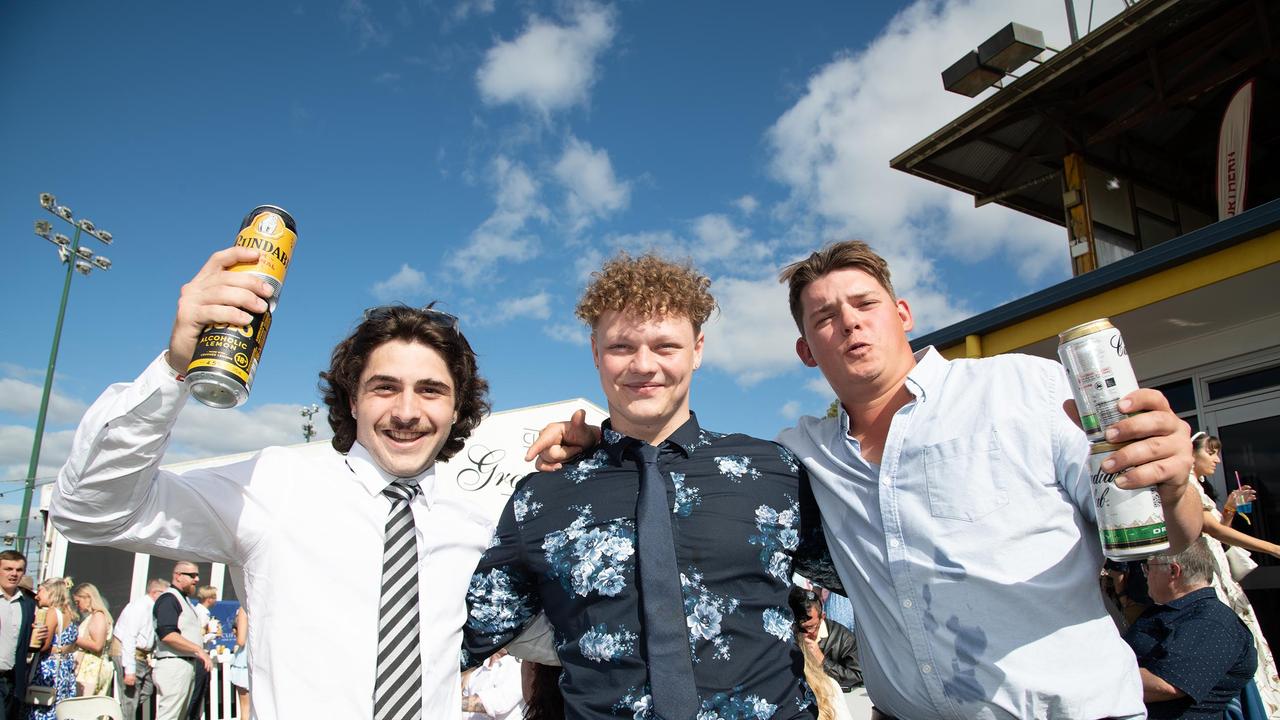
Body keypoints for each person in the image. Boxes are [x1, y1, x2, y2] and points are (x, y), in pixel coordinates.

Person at [530, 240, 1198, 719]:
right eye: (824, 316)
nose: (848, 320)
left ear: (901, 313)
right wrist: (606, 446)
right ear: (804, 349)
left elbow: (1166, 534)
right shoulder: (800, 455)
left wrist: (1172, 486)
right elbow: (689, 464)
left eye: (864, 303)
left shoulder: (1026, 389)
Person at [51, 245, 493, 719]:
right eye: (384, 387)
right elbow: (90, 512)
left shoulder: (481, 527)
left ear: (456, 409)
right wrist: (179, 365)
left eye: (431, 390)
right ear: (350, 401)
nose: (406, 412)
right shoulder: (276, 485)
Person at [464, 253, 841, 717]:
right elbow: (465, 630)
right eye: (622, 346)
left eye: (665, 346)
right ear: (595, 353)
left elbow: (873, 579)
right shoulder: (540, 498)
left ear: (698, 350)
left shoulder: (774, 472)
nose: (644, 365)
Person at [1189, 432, 1280, 715]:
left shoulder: (1199, 490)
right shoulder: (1186, 486)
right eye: (1211, 452)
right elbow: (1211, 529)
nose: (1217, 459)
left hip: (1221, 576)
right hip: (1208, 578)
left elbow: (1218, 534)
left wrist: (1228, 507)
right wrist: (1272, 547)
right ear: (1191, 454)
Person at [1125, 539, 1257, 718]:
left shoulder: (1211, 621)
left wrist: (1091, 675)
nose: (1145, 575)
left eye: (1148, 567)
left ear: (1173, 570)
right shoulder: (1175, 611)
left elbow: (1167, 684)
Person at [152, 563, 208, 720]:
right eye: (192, 575)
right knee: (169, 716)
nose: (196, 579)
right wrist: (198, 650)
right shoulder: (168, 599)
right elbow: (167, 634)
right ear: (177, 575)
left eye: (197, 575)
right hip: (174, 664)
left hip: (184, 663)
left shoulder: (183, 600)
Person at [789, 587, 862, 692]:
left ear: (822, 616)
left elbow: (857, 676)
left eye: (812, 626)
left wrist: (822, 660)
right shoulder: (790, 635)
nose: (808, 632)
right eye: (802, 628)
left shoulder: (843, 638)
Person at [115, 579, 168, 720]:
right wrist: (130, 670)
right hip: (129, 653)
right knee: (129, 699)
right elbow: (129, 637)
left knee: (147, 689)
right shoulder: (139, 607)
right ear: (155, 593)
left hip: (142, 656)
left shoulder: (151, 608)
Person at [27, 579, 77, 720]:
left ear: (51, 592)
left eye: (41, 591)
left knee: (41, 709)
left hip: (49, 668)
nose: (37, 595)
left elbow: (43, 645)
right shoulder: (69, 613)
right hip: (64, 669)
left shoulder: (52, 613)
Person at [0, 551, 37, 720]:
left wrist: (37, 635)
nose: (14, 574)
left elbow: (25, 642)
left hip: (11, 679)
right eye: (8, 569)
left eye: (19, 570)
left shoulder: (28, 603)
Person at [70, 583, 114, 696]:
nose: (77, 606)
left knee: (86, 706)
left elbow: (97, 645)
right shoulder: (93, 616)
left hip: (92, 669)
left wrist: (73, 638)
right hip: (89, 667)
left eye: (78, 602)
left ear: (88, 598)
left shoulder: (98, 616)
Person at [461, 649, 524, 720]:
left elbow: (499, 702)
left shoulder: (520, 666)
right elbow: (464, 714)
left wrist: (454, 702)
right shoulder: (474, 675)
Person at [186, 586, 218, 720]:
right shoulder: (200, 613)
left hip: (201, 654)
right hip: (199, 655)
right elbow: (199, 636)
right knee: (197, 692)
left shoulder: (201, 612)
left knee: (199, 692)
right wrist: (213, 634)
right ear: (209, 599)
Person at [226, 608, 248, 720]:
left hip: (245, 660)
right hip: (261, 660)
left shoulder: (244, 610)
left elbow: (241, 641)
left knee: (245, 709)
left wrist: (237, 632)